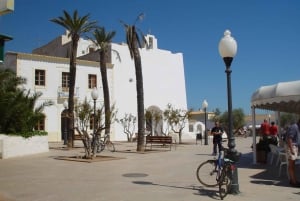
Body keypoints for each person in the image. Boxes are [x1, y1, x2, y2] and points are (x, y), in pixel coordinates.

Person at [286, 119, 300, 187]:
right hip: (292, 147)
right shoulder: (294, 127)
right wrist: (291, 149)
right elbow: (289, 138)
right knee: (291, 165)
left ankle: (293, 180)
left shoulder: (297, 127)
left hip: (294, 147)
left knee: (292, 165)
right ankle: (293, 181)